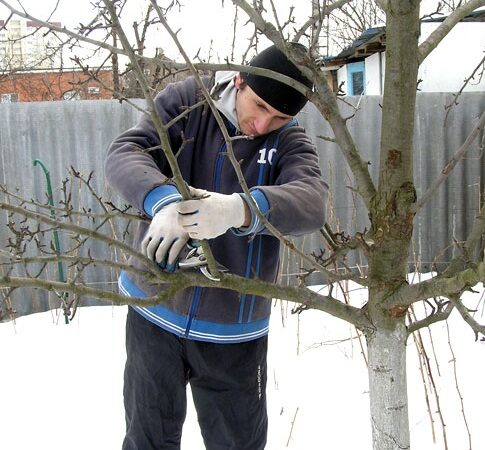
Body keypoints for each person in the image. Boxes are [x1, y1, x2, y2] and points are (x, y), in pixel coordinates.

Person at [105, 42, 328, 450]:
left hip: (234, 332)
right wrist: (163, 201)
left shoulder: (289, 142)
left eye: (279, 117)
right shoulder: (189, 101)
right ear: (239, 80)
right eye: (259, 106)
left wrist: (241, 210)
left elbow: (312, 201)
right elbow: (127, 151)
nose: (262, 124)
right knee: (146, 440)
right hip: (154, 311)